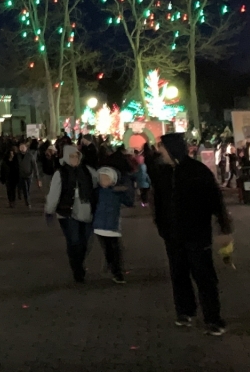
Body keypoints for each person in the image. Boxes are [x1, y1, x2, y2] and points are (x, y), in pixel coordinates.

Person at [150, 132, 233, 336]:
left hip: (197, 234)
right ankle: (185, 311)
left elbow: (216, 201)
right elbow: (157, 202)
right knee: (178, 275)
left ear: (173, 149)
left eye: (162, 147)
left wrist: (223, 227)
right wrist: (162, 227)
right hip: (172, 236)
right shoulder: (162, 173)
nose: (159, 151)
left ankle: (213, 318)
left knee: (204, 277)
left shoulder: (198, 171)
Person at [44, 145, 97, 283]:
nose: (74, 159)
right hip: (68, 212)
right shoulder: (61, 173)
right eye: (72, 156)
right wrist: (49, 210)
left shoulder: (87, 171)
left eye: (76, 156)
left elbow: (98, 183)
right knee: (74, 241)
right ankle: (77, 269)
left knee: (85, 241)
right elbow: (54, 193)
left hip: (86, 211)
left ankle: (79, 262)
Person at [92, 166, 134, 284]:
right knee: (109, 249)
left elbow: (129, 202)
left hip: (113, 226)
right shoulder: (97, 192)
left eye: (106, 178)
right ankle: (114, 269)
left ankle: (116, 270)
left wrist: (125, 190)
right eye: (101, 178)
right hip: (99, 227)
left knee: (115, 249)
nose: (103, 181)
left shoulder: (116, 192)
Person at [17, 141, 41, 207]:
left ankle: (25, 197)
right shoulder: (18, 156)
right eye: (21, 147)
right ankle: (27, 201)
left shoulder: (30, 156)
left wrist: (37, 177)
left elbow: (35, 166)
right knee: (25, 188)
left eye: (23, 147)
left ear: (26, 148)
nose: (22, 148)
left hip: (29, 175)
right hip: (21, 175)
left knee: (28, 188)